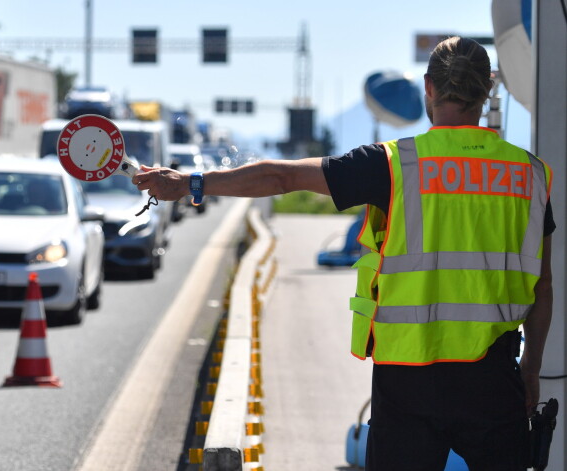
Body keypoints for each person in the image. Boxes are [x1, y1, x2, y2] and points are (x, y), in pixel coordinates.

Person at [134, 36, 554, 471]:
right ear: (487, 89)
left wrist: (190, 184)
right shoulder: (531, 174)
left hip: (408, 381)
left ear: (428, 88)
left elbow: (281, 178)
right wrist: (530, 371)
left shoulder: (393, 164)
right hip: (494, 381)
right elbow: (543, 287)